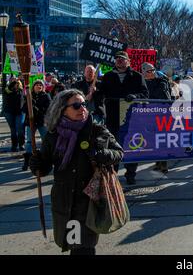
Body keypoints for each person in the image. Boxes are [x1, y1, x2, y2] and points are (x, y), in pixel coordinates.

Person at [29, 90, 123, 255]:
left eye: (83, 104)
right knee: (74, 245)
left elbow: (118, 153)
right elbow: (43, 168)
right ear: (62, 109)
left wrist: (100, 154)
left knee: (84, 247)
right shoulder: (54, 135)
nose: (82, 109)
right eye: (76, 105)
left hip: (89, 198)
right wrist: (35, 163)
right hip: (64, 199)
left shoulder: (96, 130)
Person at [98, 51, 148, 185]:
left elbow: (145, 94)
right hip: (113, 117)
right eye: (117, 58)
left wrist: (135, 96)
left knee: (131, 146)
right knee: (113, 146)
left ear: (128, 61)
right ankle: (113, 174)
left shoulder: (137, 76)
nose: (119, 60)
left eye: (122, 58)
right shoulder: (108, 77)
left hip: (131, 118)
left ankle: (130, 174)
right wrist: (94, 91)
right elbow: (100, 94)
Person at [142, 62, 171, 174]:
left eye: (153, 70)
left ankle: (163, 164)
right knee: (153, 140)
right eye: (149, 71)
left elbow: (164, 96)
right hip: (149, 115)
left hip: (162, 113)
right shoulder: (143, 83)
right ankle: (158, 163)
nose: (151, 73)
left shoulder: (161, 81)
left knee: (162, 139)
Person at [22, 80, 51, 171]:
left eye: (40, 85)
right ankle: (28, 160)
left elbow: (47, 109)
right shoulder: (29, 96)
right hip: (31, 122)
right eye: (37, 85)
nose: (39, 86)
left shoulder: (46, 96)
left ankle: (45, 158)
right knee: (30, 141)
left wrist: (35, 107)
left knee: (45, 140)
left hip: (41, 121)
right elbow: (23, 109)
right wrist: (29, 103)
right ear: (33, 86)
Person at [3, 78, 25, 152]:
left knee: (20, 129)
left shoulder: (21, 91)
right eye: (13, 82)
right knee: (13, 130)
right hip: (9, 112)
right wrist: (14, 82)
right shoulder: (6, 90)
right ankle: (14, 145)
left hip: (20, 112)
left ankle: (21, 144)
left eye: (17, 83)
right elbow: (9, 89)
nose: (15, 84)